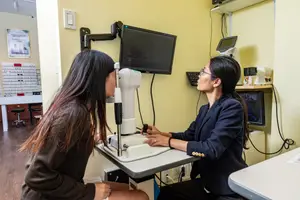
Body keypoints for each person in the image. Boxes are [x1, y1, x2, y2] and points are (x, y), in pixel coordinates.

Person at [19, 50, 149, 200]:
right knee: (141, 196)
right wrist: (90, 192)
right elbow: (36, 175)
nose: (116, 82)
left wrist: (90, 139)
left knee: (129, 188)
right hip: (45, 196)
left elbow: (64, 150)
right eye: (114, 76)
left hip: (58, 187)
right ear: (100, 78)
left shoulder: (76, 108)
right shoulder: (73, 114)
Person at [145, 56, 249, 200]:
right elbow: (189, 135)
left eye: (203, 72)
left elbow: (212, 149)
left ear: (216, 81)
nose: (199, 76)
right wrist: (162, 134)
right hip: (208, 182)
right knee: (167, 193)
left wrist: (167, 142)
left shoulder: (232, 107)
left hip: (226, 188)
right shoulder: (204, 109)